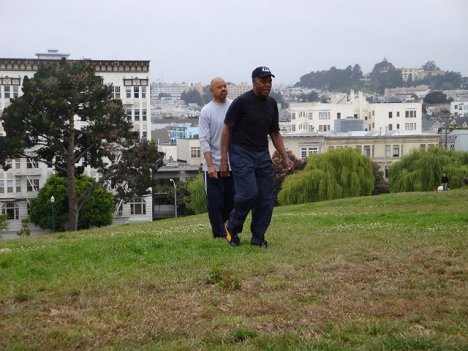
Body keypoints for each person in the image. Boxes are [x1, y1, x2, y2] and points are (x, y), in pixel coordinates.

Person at [220, 66, 293, 248]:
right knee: (249, 193)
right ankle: (232, 226)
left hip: (261, 154)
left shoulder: (271, 104)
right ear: (254, 82)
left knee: (266, 198)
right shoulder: (241, 102)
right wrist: (223, 160)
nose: (267, 84)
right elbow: (226, 130)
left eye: (269, 81)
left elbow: (274, 133)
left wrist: (285, 157)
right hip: (240, 152)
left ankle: (258, 238)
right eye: (263, 81)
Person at [199, 77, 235, 238]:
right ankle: (219, 234)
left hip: (232, 164)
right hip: (213, 165)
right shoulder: (206, 111)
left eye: (225, 86)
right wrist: (210, 165)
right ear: (212, 90)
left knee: (232, 200)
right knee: (215, 203)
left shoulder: (234, 106)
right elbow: (204, 140)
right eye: (219, 87)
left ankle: (230, 230)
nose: (223, 89)